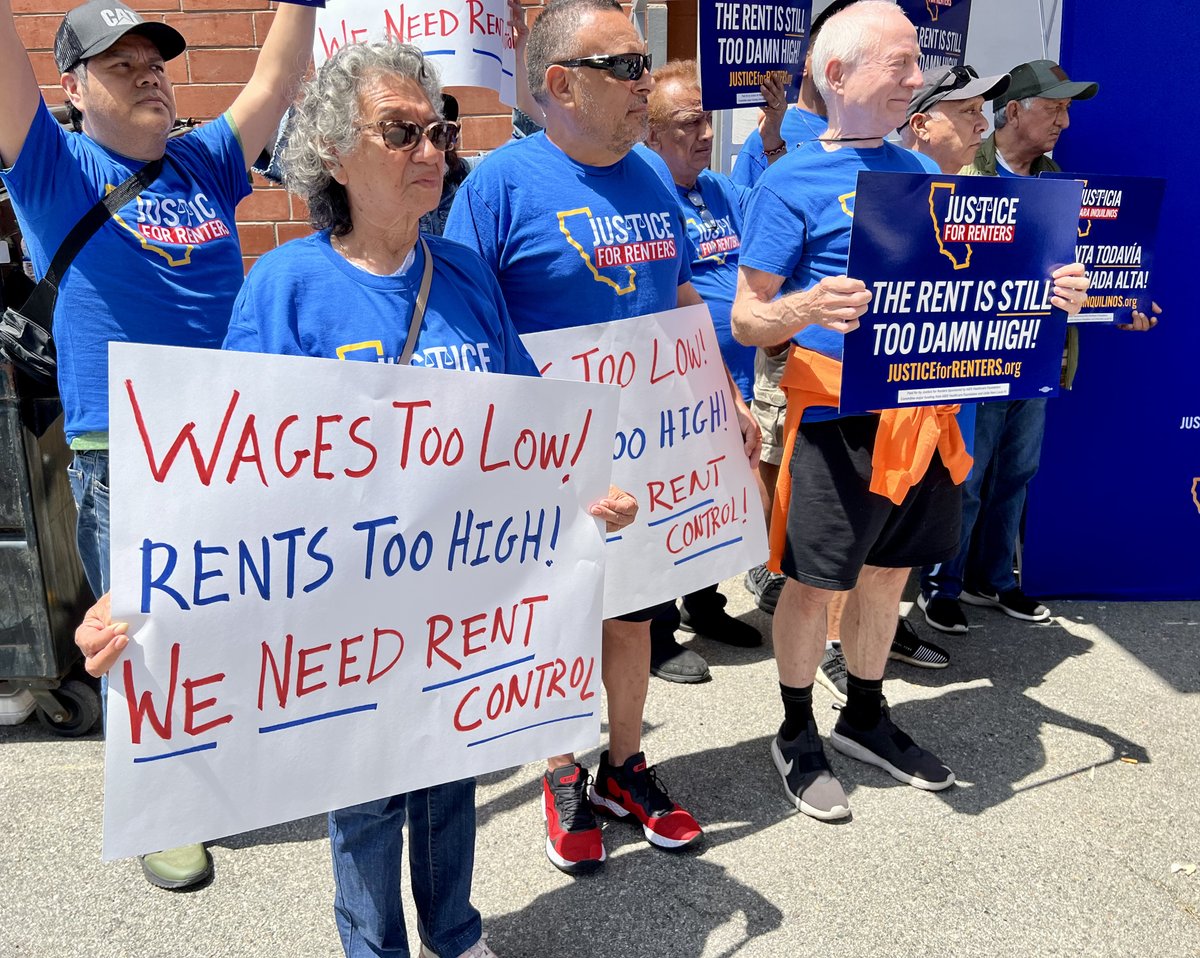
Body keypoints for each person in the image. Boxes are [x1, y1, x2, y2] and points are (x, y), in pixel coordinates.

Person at [80, 41, 637, 958]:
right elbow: (220, 476)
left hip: (456, 611)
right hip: (344, 627)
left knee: (452, 779)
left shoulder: (465, 278)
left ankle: (456, 934)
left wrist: (585, 489)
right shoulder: (286, 290)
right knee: (368, 805)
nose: (433, 151)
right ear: (335, 152)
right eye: (402, 131)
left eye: (439, 131)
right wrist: (137, 598)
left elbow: (532, 425)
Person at [730, 2, 1090, 819]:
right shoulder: (789, 181)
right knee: (814, 582)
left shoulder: (925, 177)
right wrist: (807, 307)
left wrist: (1048, 295)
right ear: (838, 75)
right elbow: (749, 316)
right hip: (837, 421)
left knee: (890, 572)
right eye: (900, 63)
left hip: (924, 414)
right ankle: (794, 732)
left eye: (915, 63)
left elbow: (967, 295)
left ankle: (864, 712)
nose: (917, 79)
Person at [0, 0, 314, 891]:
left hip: (229, 445)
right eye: (119, 63)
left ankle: (217, 755)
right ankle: (161, 802)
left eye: (154, 59)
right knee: (142, 632)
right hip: (124, 453)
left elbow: (277, 75)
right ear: (73, 87)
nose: (148, 73)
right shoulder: (54, 169)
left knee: (228, 612)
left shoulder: (206, 160)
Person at [445, 0, 760, 874]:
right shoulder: (500, 186)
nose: (646, 83)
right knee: (558, 617)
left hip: (647, 445)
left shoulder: (654, 178)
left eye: (643, 62)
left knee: (633, 608)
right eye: (623, 67)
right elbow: (468, 320)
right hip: (547, 454)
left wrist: (722, 392)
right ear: (560, 85)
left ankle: (624, 766)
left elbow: (681, 299)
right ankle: (560, 770)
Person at [918, 59, 1159, 635]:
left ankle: (993, 579)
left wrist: (1124, 306)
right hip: (971, 354)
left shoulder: (1065, 185)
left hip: (1040, 353)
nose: (1064, 122)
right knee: (966, 475)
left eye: (1067, 109)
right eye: (1053, 108)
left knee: (1017, 472)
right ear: (1015, 110)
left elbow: (1094, 272)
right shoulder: (961, 173)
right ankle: (941, 584)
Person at [638, 60, 786, 682]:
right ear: (648, 137)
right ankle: (655, 632)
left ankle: (704, 602)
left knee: (712, 504)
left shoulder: (719, 190)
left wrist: (774, 129)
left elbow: (779, 206)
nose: (704, 132)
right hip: (679, 383)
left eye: (707, 119)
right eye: (687, 123)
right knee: (667, 508)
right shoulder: (647, 198)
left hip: (734, 380)